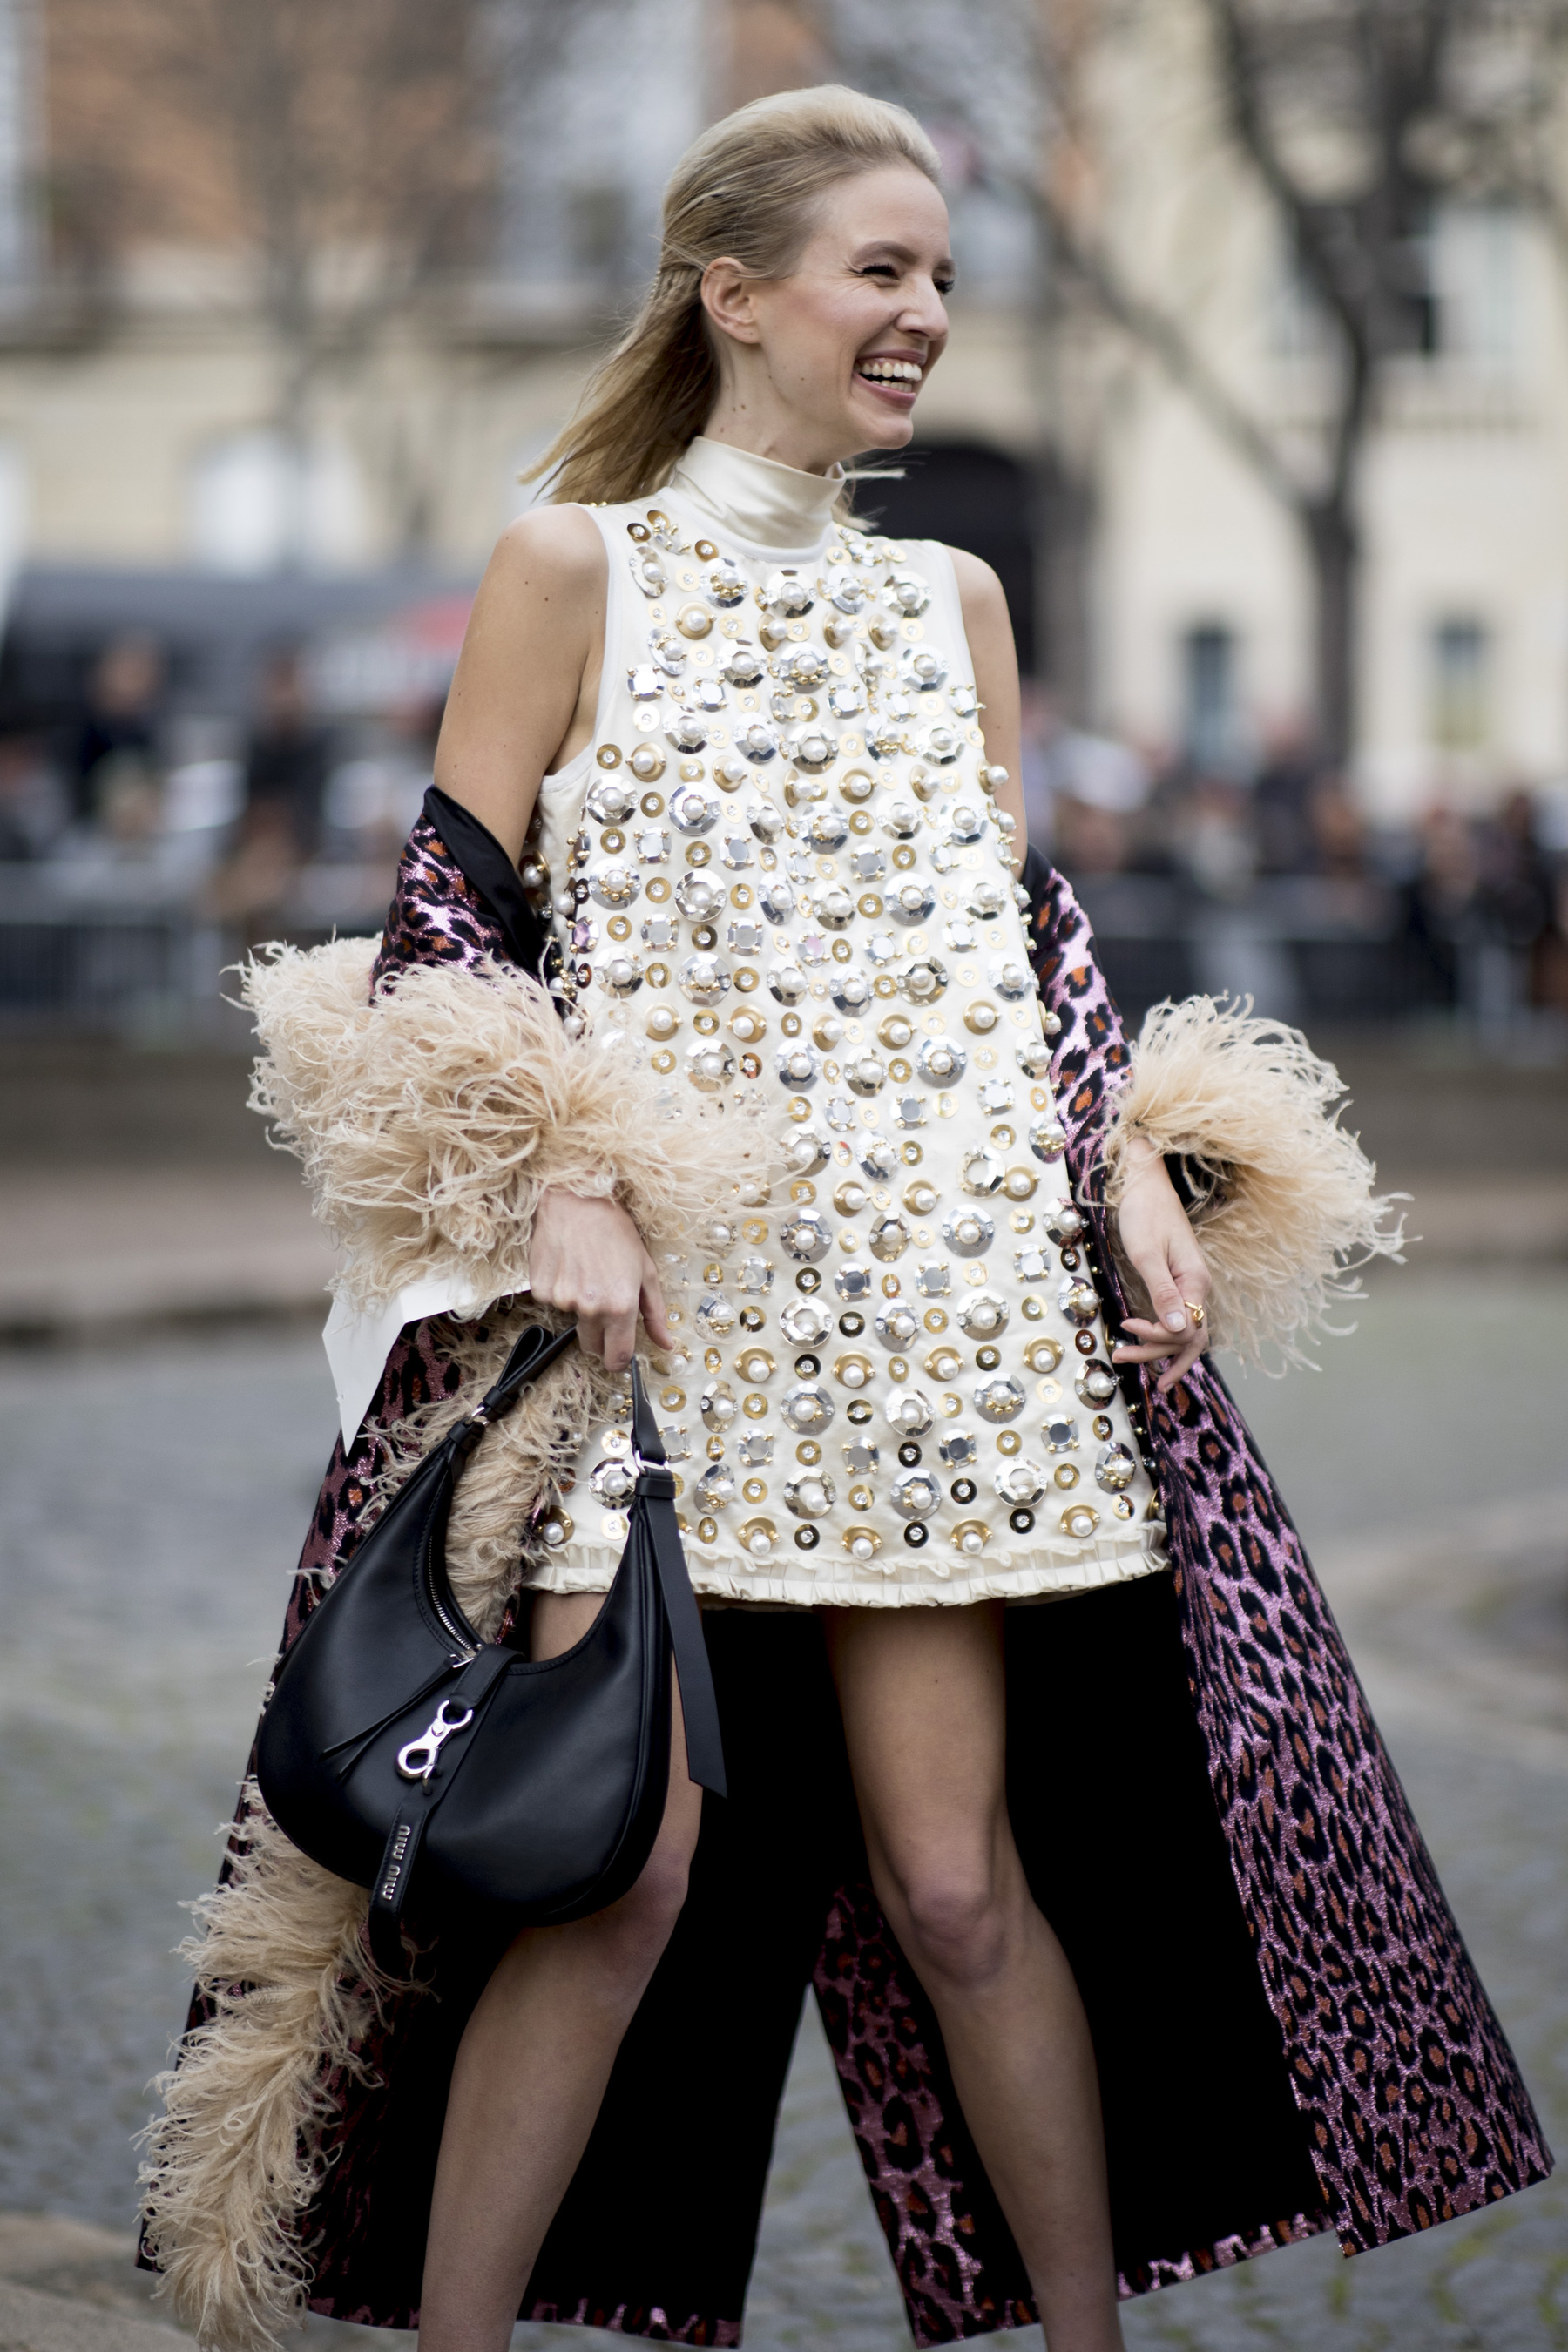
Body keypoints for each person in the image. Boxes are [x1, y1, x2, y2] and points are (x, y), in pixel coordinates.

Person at [139, 87, 1550, 2352]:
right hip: (660, 1342)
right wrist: (567, 1166)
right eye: (884, 271)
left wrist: (1128, 1167)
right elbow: (441, 935)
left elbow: (1023, 945)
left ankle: (1080, 2338)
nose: (925, 317)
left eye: (945, 283)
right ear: (736, 292)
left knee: (963, 1885)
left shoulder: (957, 601)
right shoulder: (566, 569)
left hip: (950, 1337)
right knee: (622, 1873)